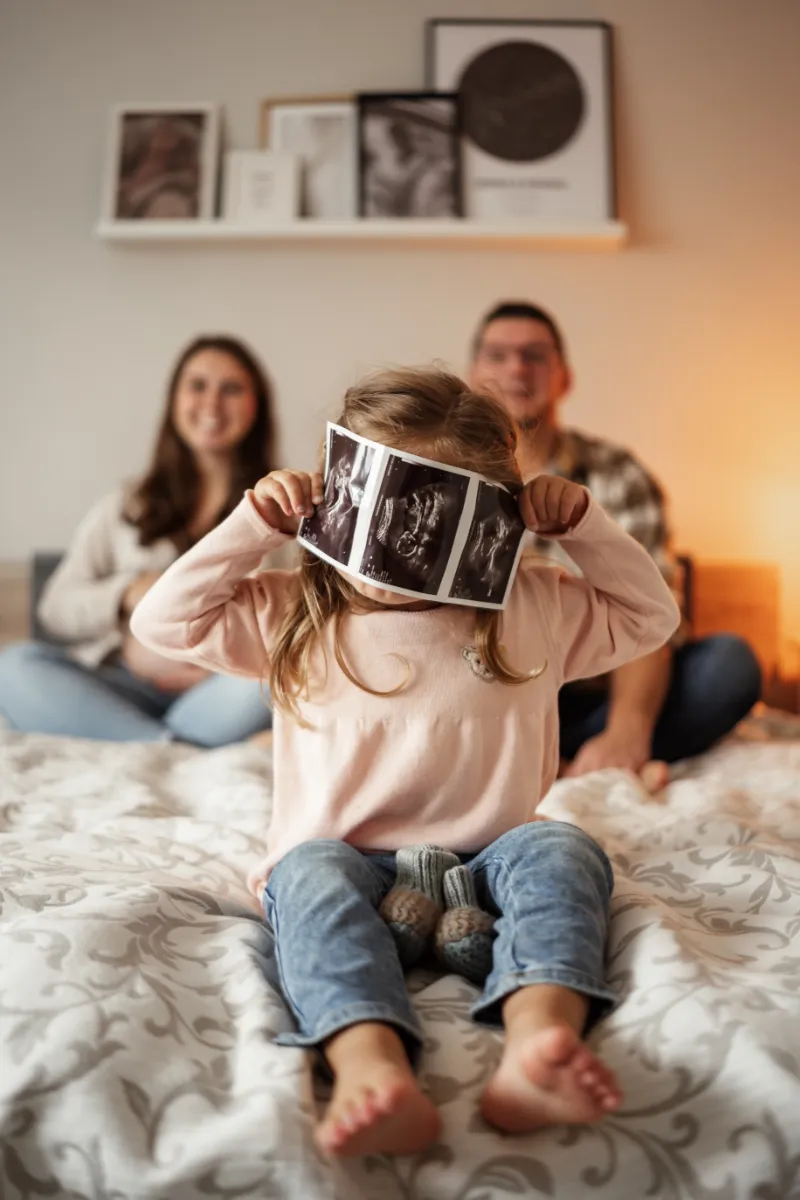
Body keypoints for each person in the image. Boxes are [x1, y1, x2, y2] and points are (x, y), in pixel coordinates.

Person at [131, 367, 679, 1158]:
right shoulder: (294, 612)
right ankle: (369, 1069)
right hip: (344, 858)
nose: (390, 554)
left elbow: (652, 616)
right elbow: (161, 623)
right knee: (306, 874)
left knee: (563, 847)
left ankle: (539, 1042)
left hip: (492, 862)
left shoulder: (536, 604)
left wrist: (584, 528)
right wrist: (253, 525)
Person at [469, 301, 762, 786]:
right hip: (495, 700)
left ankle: (591, 758)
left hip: (605, 691)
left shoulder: (617, 473)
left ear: (565, 377)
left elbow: (651, 609)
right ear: (473, 375)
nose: (516, 367)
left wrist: (626, 731)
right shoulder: (448, 479)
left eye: (534, 355)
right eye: (497, 355)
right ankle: (559, 760)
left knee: (728, 667)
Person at [0, 335, 278, 746]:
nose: (213, 404)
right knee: (15, 666)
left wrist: (226, 656)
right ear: (174, 400)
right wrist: (127, 593)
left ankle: (152, 745)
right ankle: (174, 748)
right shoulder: (126, 506)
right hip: (119, 689)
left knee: (288, 677)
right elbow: (55, 609)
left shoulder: (282, 509)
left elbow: (299, 625)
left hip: (220, 695)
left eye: (232, 389)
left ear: (257, 406)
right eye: (197, 385)